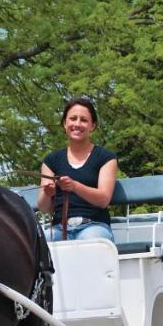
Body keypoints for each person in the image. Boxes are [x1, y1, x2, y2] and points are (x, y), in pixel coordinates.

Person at [37, 96, 119, 242]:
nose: (77, 124)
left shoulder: (106, 157)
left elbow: (103, 200)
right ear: (65, 123)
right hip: (58, 228)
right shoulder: (51, 160)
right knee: (38, 244)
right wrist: (47, 193)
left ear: (92, 125)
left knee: (90, 241)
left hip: (94, 225)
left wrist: (74, 186)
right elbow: (44, 208)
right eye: (73, 119)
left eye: (84, 120)